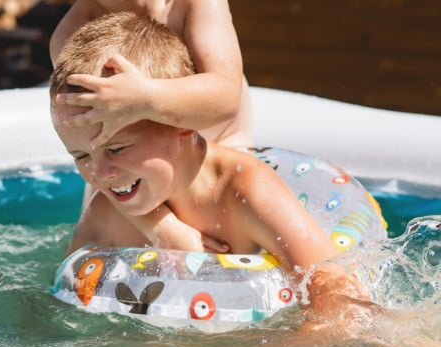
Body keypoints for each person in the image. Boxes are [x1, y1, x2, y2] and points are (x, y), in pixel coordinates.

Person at [50, 11, 381, 330]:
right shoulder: (105, 214)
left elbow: (334, 288)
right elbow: (63, 298)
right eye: (80, 155)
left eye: (116, 148)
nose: (99, 173)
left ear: (182, 123)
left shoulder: (245, 190)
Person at [50, 1, 252, 252]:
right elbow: (86, 142)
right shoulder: (72, 33)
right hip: (118, 167)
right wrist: (160, 226)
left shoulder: (195, 5)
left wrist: (144, 99)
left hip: (214, 158)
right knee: (88, 247)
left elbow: (226, 96)